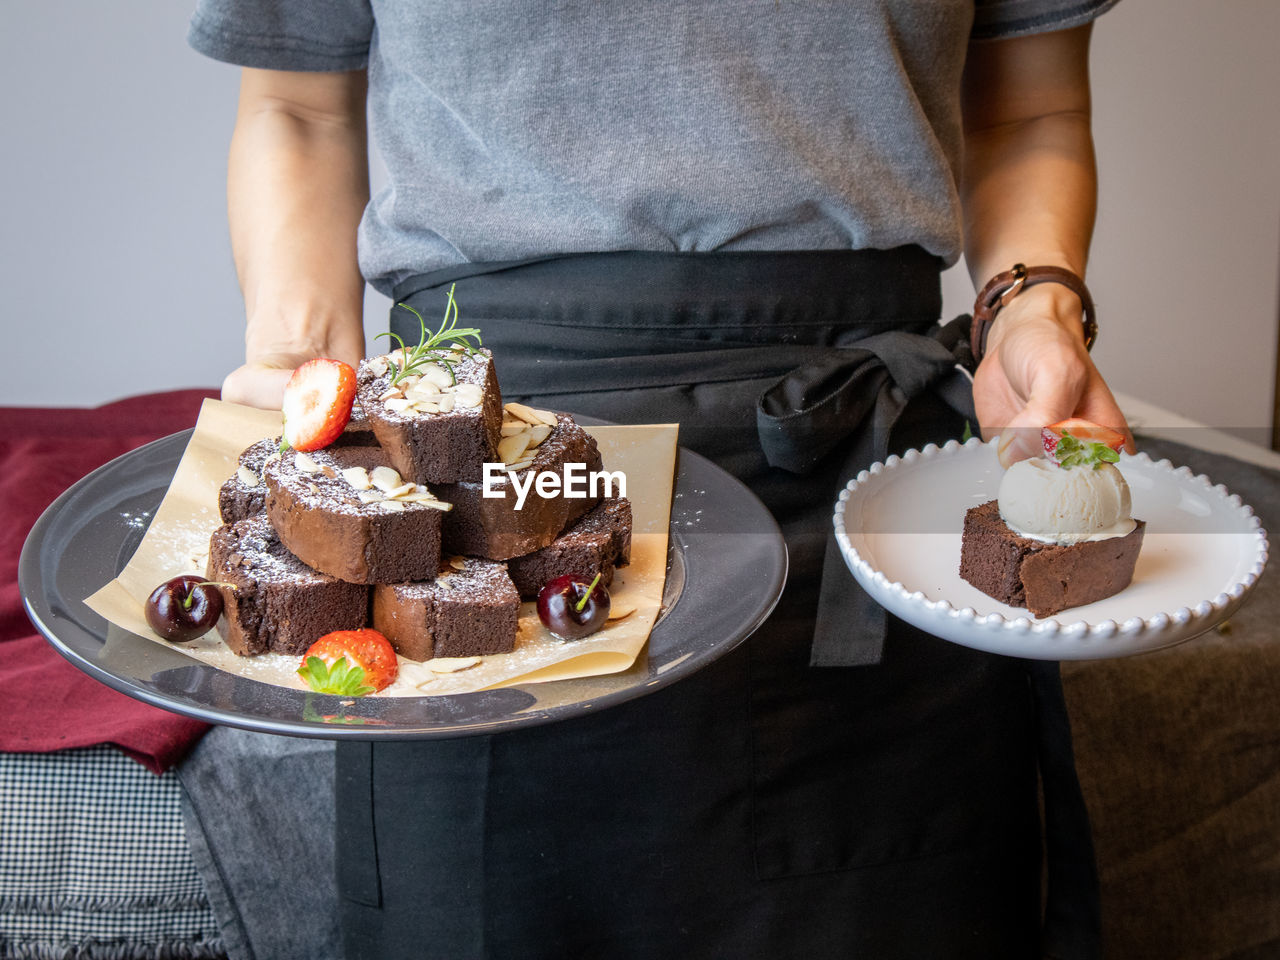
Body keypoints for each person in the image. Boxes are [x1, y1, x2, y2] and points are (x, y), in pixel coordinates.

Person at [189, 2, 1129, 957]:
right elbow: (296, 106)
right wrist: (299, 366)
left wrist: (1029, 305)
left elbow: (1029, 111)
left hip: (861, 489)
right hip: (487, 509)